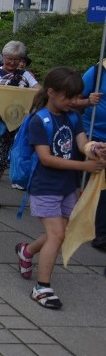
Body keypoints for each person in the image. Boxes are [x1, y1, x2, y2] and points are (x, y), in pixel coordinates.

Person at [15, 67, 105, 309]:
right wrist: (84, 166)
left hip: (68, 186)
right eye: (69, 98)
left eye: (76, 97)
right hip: (44, 186)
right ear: (52, 92)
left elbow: (83, 143)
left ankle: (27, 251)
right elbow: (46, 158)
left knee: (61, 231)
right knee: (57, 234)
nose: (74, 102)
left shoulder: (73, 117)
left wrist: (94, 149)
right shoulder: (38, 120)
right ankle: (42, 287)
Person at [0, 41, 39, 209]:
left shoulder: (25, 75)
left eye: (16, 59)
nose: (12, 63)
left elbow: (38, 90)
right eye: (9, 58)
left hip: (14, 123)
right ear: (3, 57)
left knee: (3, 160)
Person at [82, 58, 106, 250]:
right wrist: (88, 100)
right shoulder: (98, 71)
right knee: (99, 185)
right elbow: (73, 99)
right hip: (95, 136)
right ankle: (101, 232)